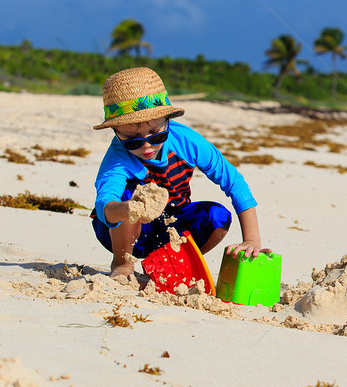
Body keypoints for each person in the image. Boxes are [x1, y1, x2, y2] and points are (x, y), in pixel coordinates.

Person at [91, 66, 268, 281]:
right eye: (134, 139)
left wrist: (251, 240)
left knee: (217, 217)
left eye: (156, 135)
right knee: (126, 197)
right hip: (121, 233)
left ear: (167, 120)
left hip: (172, 223)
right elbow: (104, 206)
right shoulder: (117, 160)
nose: (147, 145)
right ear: (116, 132)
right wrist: (129, 210)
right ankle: (122, 264)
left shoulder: (186, 141)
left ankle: (172, 263)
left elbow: (234, 183)